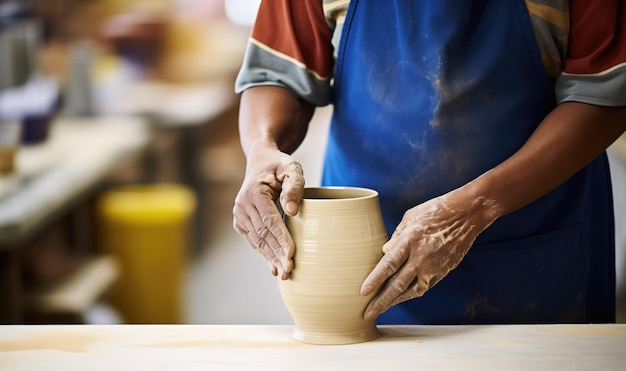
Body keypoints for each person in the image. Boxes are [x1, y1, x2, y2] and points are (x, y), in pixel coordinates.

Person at [232, 0, 626, 325]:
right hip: (368, 263)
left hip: (535, 260)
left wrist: (477, 207)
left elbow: (604, 95)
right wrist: (263, 149)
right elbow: (280, 74)